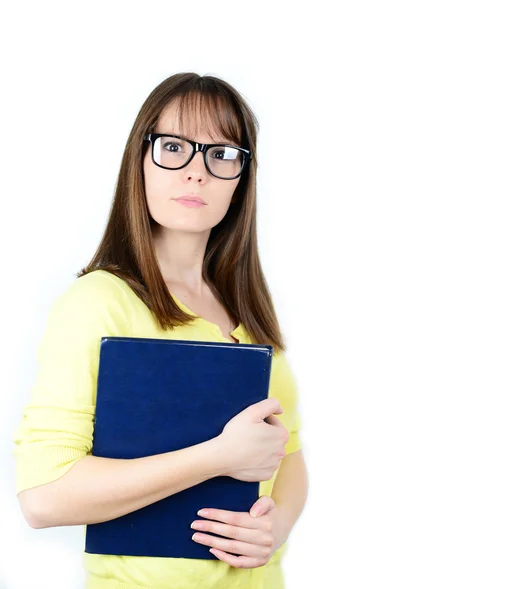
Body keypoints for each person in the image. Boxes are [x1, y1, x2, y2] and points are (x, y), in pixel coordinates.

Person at [12, 72, 309, 589]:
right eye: (174, 147)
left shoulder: (249, 310)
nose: (197, 172)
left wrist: (276, 526)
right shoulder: (99, 302)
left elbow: (289, 455)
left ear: (242, 177)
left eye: (221, 154)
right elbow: (42, 496)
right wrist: (216, 457)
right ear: (140, 161)